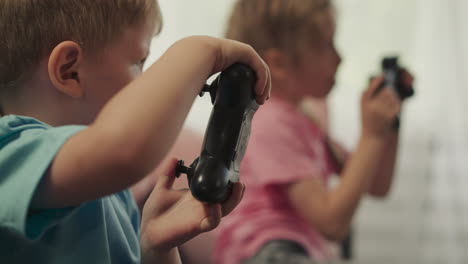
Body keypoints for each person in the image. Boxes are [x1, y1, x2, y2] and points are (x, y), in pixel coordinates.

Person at [0, 1, 271, 263]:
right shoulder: (9, 152)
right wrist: (200, 51)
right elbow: (122, 149)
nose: (145, 80)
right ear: (69, 71)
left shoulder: (109, 191)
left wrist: (154, 246)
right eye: (139, 61)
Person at [214, 0, 413, 263]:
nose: (339, 58)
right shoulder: (270, 122)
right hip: (266, 252)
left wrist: (389, 124)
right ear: (279, 64)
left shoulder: (305, 121)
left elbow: (376, 184)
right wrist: (371, 135)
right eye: (326, 45)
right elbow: (332, 223)